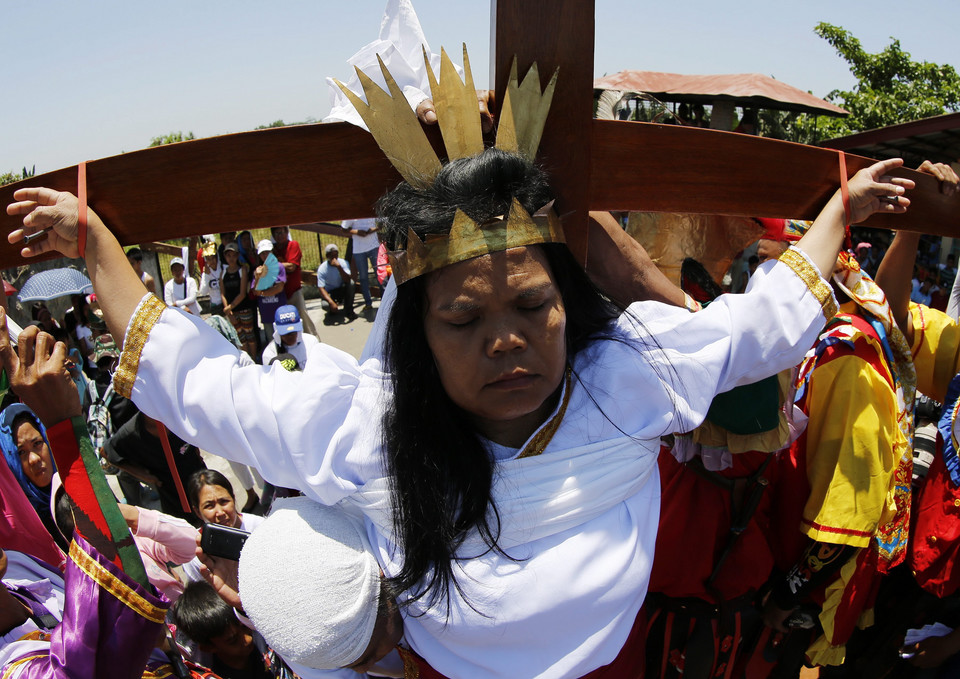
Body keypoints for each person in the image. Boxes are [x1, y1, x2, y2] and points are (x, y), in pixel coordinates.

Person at [7, 123, 912, 679]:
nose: (507, 339)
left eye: (532, 306)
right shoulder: (368, 433)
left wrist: (845, 208)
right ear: (415, 335)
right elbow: (205, 386)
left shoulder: (626, 374)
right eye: (464, 318)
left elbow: (763, 324)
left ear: (568, 306)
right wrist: (92, 247)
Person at [102, 411, 206, 523]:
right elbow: (106, 452)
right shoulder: (131, 431)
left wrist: (196, 449)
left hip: (200, 480)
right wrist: (142, 475)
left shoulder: (178, 414)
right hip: (173, 495)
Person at [180, 469, 264, 584]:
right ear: (198, 512)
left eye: (224, 501)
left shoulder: (261, 527)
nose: (219, 512)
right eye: (209, 506)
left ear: (233, 499)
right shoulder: (194, 554)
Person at [0, 403, 64, 551]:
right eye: (21, 452)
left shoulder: (79, 491)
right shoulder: (19, 526)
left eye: (37, 443)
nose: (34, 459)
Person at [272, 225, 320, 338]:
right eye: (277, 233)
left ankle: (314, 341)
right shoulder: (273, 249)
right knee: (286, 324)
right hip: (279, 294)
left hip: (294, 291)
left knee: (303, 319)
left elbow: (292, 267)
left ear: (287, 232)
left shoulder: (293, 245)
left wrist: (273, 266)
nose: (279, 236)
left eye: (281, 232)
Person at [221, 241, 258, 360]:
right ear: (225, 256)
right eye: (228, 255)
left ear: (237, 256)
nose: (231, 258)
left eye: (233, 255)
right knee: (240, 337)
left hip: (244, 308)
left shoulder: (242, 270)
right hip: (232, 312)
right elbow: (222, 293)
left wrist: (229, 307)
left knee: (249, 335)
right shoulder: (223, 273)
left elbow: (243, 293)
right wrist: (228, 310)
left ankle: (253, 358)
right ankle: (246, 359)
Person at [260, 304, 320, 369]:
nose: (290, 336)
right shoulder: (270, 353)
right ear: (277, 331)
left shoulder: (312, 342)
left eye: (293, 332)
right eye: (285, 333)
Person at [252, 239, 287, 343]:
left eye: (267, 252)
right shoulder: (258, 270)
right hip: (266, 314)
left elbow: (279, 288)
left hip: (280, 312)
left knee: (284, 339)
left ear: (272, 252)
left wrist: (262, 293)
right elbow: (255, 291)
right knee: (272, 341)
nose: (265, 255)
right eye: (262, 253)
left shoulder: (279, 267)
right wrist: (257, 277)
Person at [343, 218, 380, 309]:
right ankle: (368, 303)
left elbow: (382, 224)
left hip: (373, 246)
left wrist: (373, 230)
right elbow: (343, 229)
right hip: (359, 250)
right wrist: (357, 232)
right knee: (363, 277)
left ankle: (384, 300)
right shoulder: (352, 214)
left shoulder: (371, 210)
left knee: (379, 274)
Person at [317, 243, 356, 320]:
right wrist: (331, 302)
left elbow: (347, 280)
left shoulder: (343, 263)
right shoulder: (322, 268)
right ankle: (332, 310)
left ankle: (348, 310)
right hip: (330, 292)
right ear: (327, 256)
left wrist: (339, 267)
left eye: (335, 255)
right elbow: (321, 288)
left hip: (341, 289)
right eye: (331, 256)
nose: (334, 258)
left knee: (351, 283)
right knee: (325, 305)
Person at [200, 242, 225, 315]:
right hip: (215, 306)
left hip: (226, 303)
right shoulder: (206, 273)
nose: (211, 261)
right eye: (208, 259)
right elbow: (203, 292)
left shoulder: (223, 268)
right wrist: (207, 276)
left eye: (213, 258)